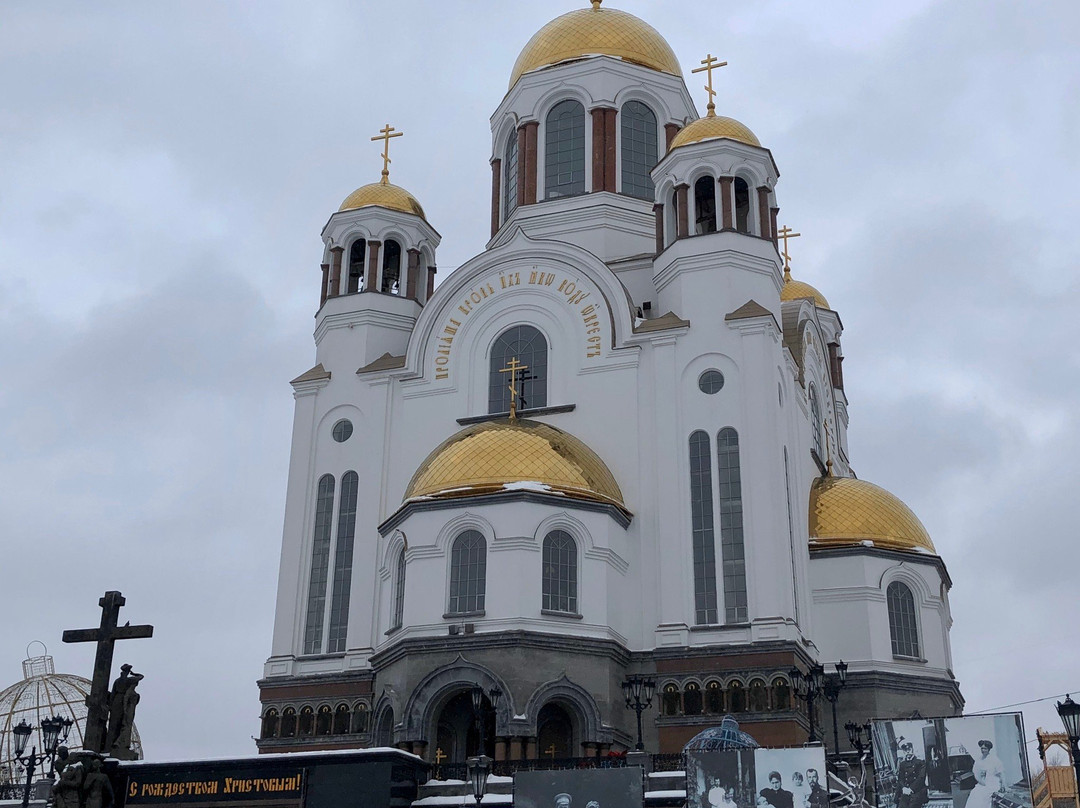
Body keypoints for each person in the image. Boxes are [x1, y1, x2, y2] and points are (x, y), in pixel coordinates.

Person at [966, 740, 1005, 808]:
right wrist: (981, 781)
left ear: (989, 749)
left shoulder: (994, 759)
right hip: (982, 783)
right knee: (974, 793)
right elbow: (975, 772)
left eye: (985, 748)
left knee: (983, 797)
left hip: (993, 783)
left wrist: (1003, 785)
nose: (983, 750)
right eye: (982, 748)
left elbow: (1001, 773)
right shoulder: (979, 759)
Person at [894, 741, 929, 808]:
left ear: (912, 749)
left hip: (917, 790)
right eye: (905, 750)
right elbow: (901, 778)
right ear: (903, 752)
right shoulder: (902, 764)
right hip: (906, 790)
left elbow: (921, 778)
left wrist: (910, 789)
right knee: (901, 805)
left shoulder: (920, 763)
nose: (907, 752)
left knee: (912, 805)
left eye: (909, 749)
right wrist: (904, 788)